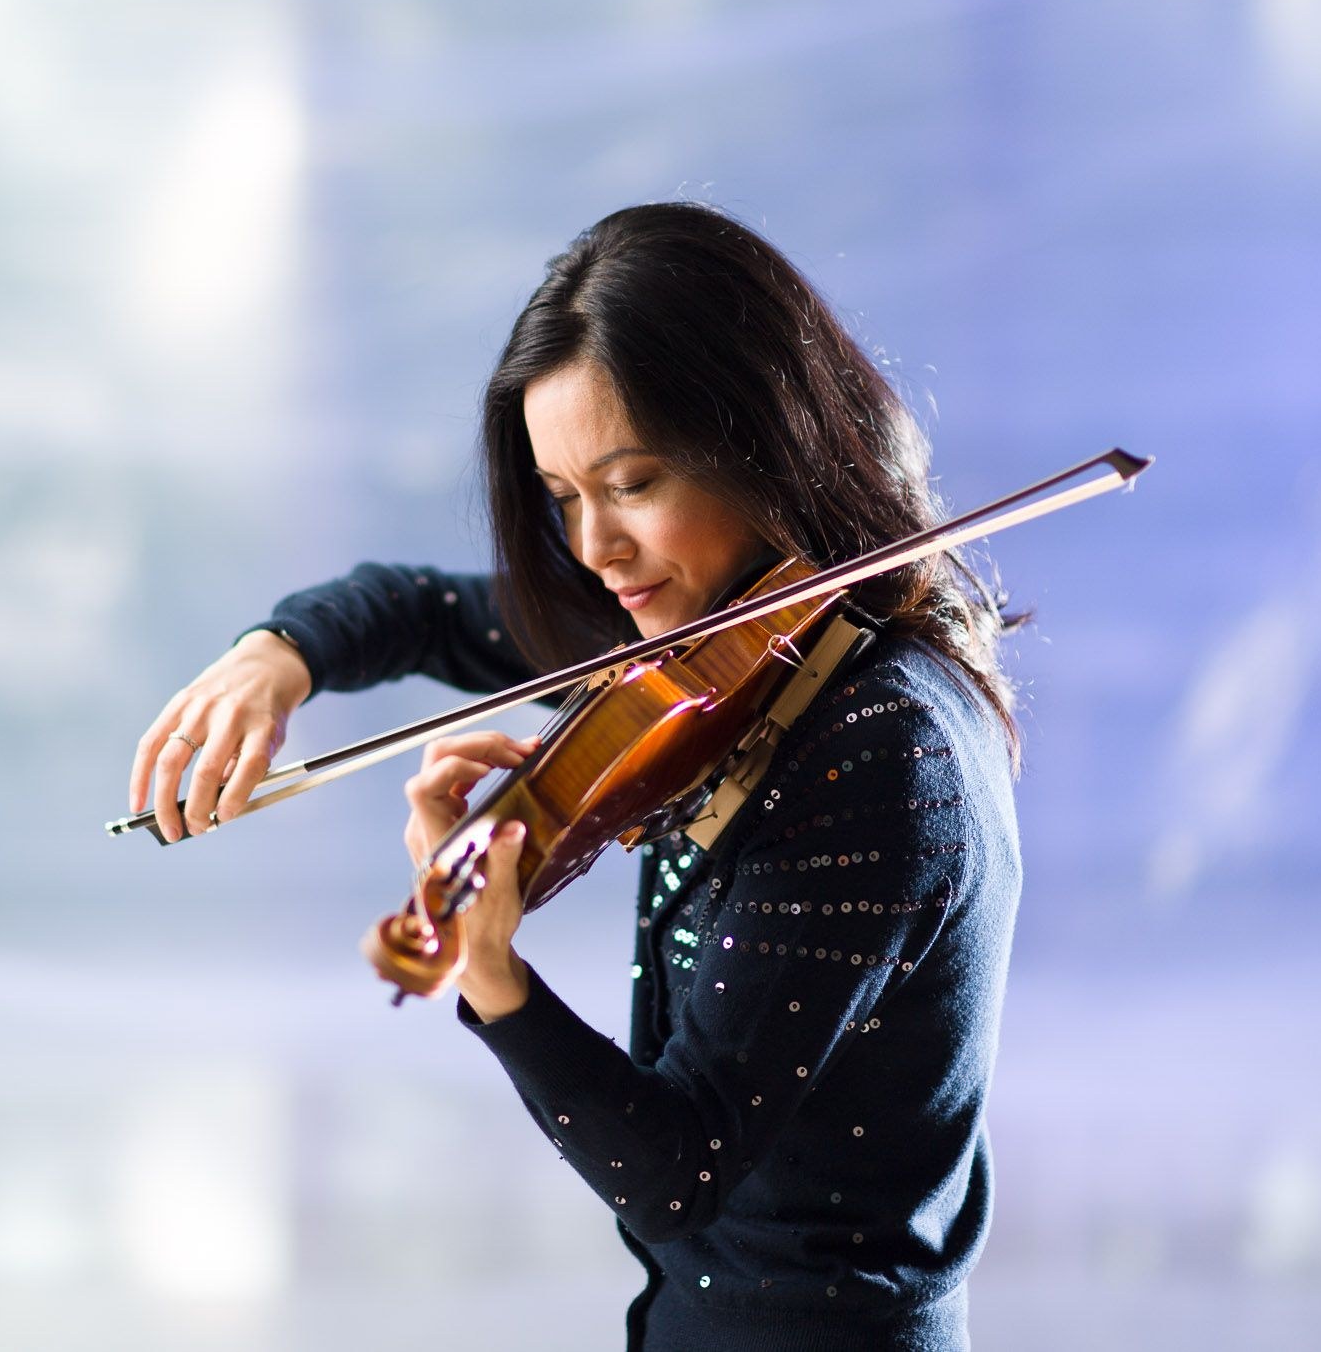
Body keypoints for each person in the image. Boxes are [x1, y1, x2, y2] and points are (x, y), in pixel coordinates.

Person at [128, 203, 1023, 1351]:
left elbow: (677, 1171)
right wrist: (276, 655)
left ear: (762, 443)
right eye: (562, 499)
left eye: (631, 482)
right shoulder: (693, 634)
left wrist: (493, 976)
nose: (594, 550)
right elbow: (421, 610)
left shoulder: (882, 746)